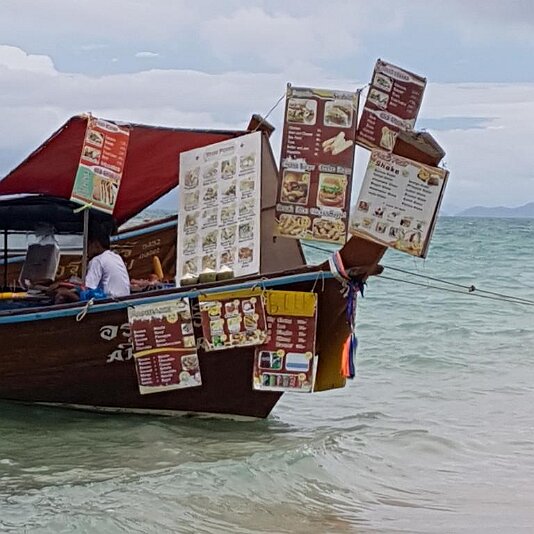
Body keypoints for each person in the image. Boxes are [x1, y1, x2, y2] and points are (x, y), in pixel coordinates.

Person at [85, 221, 130, 298]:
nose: (86, 249)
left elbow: (88, 289)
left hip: (111, 299)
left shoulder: (97, 260)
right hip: (124, 297)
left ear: (96, 244)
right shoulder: (116, 256)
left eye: (88, 245)